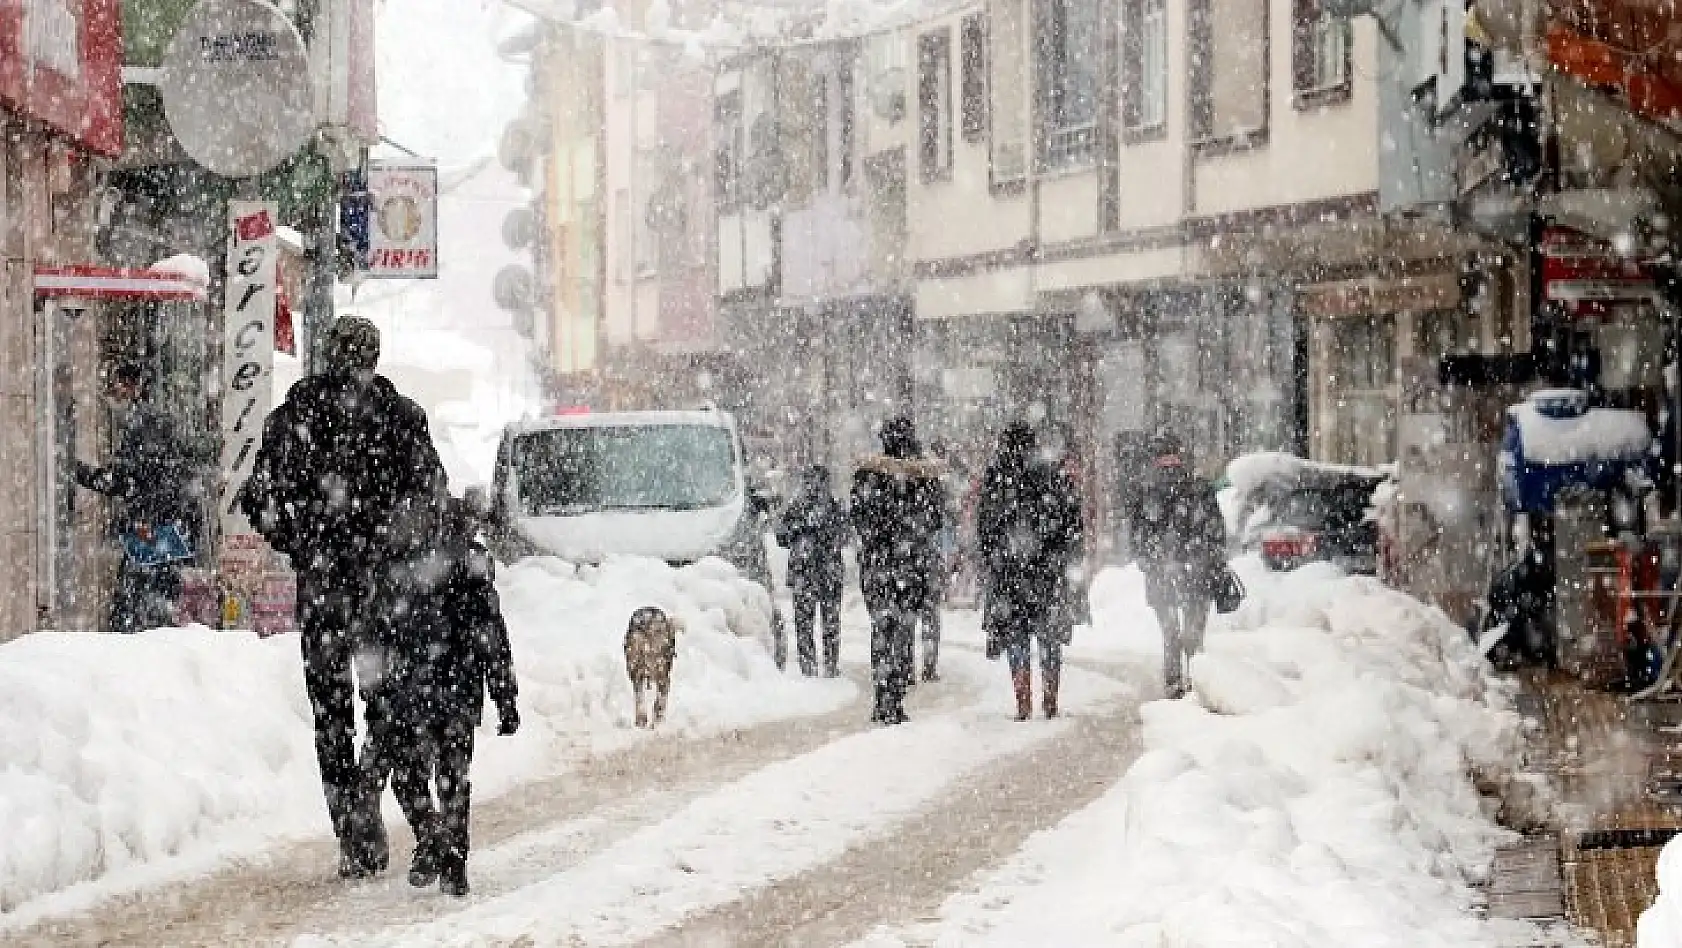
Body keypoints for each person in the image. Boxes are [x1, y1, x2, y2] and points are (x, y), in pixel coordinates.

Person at [239, 316, 446, 879]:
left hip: (323, 590)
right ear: (375, 356)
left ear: (330, 354)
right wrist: (398, 545)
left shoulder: (293, 418)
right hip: (385, 592)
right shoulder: (402, 419)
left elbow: (256, 499)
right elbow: (433, 500)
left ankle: (350, 829)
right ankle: (366, 787)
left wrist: (302, 542)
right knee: (386, 703)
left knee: (329, 712)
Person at [364, 494, 520, 897]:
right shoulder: (469, 563)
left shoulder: (395, 563)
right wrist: (504, 693)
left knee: (408, 776)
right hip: (457, 689)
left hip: (407, 691)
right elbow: (491, 632)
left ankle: (433, 836)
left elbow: (375, 633)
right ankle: (452, 857)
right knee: (453, 777)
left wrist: (375, 693)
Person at [75, 363, 201, 634]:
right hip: (165, 529)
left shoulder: (143, 425)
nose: (113, 392)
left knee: (133, 609)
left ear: (133, 386)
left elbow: (125, 480)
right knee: (155, 602)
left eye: (118, 384)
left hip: (151, 531)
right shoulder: (158, 421)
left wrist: (78, 472)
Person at [976, 423, 1082, 720]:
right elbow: (1071, 521)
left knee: (1016, 635)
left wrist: (994, 559)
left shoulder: (996, 478)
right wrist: (1061, 555)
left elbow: (984, 527)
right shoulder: (1051, 474)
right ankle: (1050, 697)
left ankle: (1023, 701)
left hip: (1009, 572)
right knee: (1048, 634)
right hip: (1047, 571)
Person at [851, 416, 946, 725]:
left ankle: (883, 695)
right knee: (902, 629)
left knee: (882, 628)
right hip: (909, 565)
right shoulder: (922, 477)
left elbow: (858, 517)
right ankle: (895, 693)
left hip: (878, 564)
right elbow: (935, 519)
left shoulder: (868, 476)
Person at [1123, 431, 1225, 699]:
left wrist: (1151, 561)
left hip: (1164, 572)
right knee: (1192, 634)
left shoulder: (1145, 492)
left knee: (1170, 632)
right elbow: (1216, 532)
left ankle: (1174, 684)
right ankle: (1195, 682)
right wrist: (1206, 556)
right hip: (1196, 571)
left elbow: (1137, 539)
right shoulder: (1199, 489)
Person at [774, 464, 847, 677]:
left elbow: (782, 536)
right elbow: (844, 536)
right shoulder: (830, 507)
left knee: (807, 623)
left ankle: (811, 668)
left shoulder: (797, 508)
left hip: (807, 573)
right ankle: (828, 666)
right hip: (823, 573)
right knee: (828, 622)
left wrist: (801, 532)